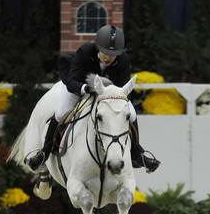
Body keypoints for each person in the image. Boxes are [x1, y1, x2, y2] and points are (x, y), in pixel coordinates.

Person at [25, 24, 161, 173]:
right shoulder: (84, 52)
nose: (108, 57)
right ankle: (45, 151)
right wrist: (85, 89)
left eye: (113, 53)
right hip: (78, 87)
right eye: (105, 52)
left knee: (132, 113)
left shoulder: (123, 60)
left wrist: (110, 95)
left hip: (108, 94)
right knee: (61, 111)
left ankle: (137, 152)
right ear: (97, 47)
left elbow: (121, 88)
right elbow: (72, 81)